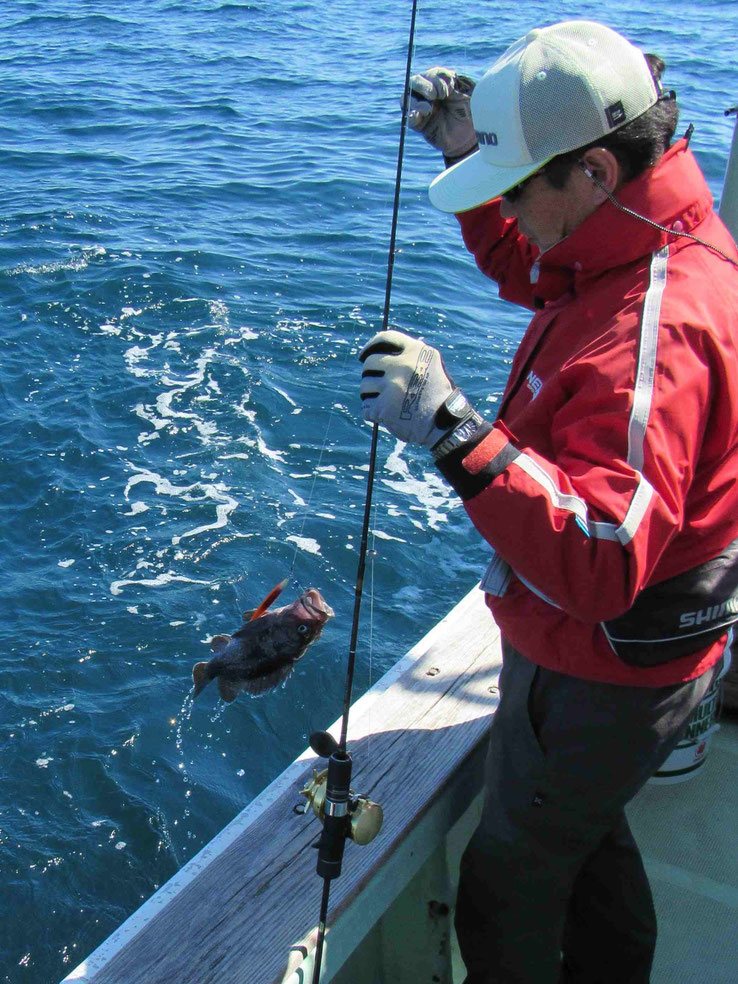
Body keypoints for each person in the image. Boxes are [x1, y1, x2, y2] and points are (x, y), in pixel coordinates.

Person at [358, 20, 738, 984]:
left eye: (516, 187)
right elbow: (537, 265)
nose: (510, 213)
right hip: (603, 653)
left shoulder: (662, 326)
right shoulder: (636, 236)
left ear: (597, 171)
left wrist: (455, 430)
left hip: (605, 663)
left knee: (509, 885)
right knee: (581, 835)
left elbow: (604, 560)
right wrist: (469, 155)